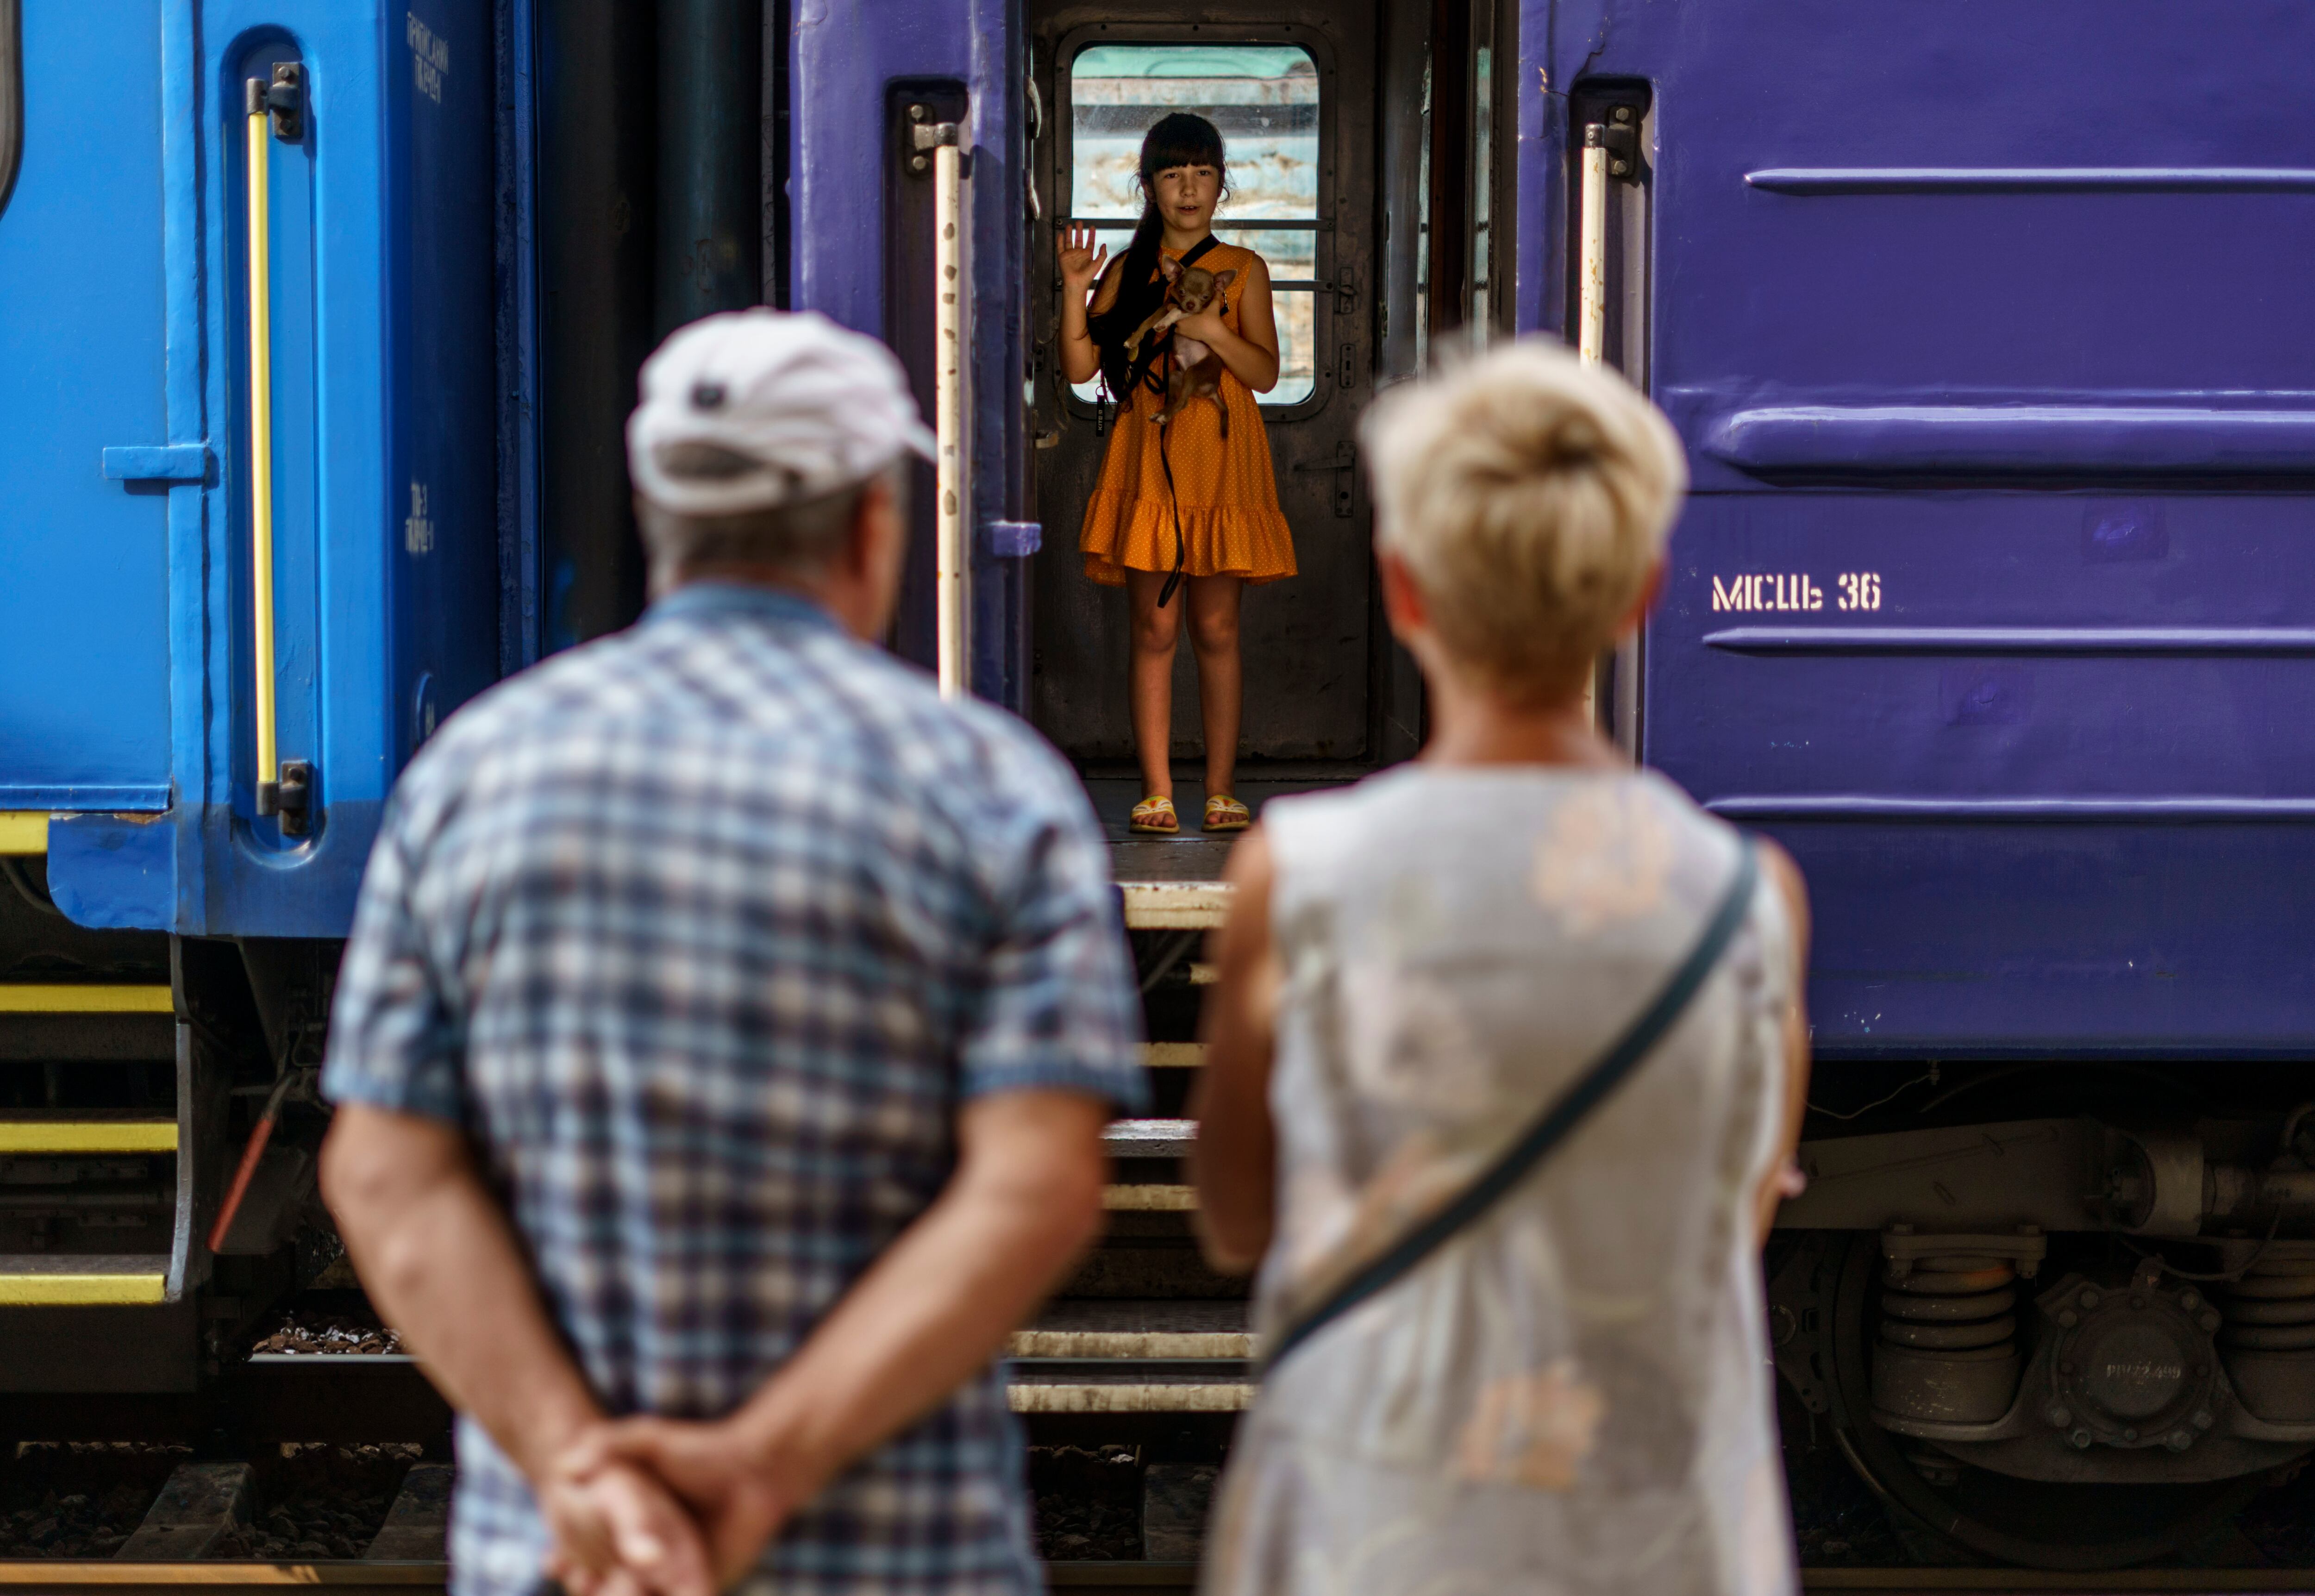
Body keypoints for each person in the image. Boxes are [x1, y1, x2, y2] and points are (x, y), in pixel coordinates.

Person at [317, 310, 1147, 1596]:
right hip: (896, 1561)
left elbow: (384, 1175)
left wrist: (576, 1464)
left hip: (570, 1557)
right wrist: (762, 1465)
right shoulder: (992, 790)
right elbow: (1035, 1192)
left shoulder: (473, 775)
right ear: (875, 524)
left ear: (659, 515)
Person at [1188, 341, 1814, 1596]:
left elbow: (1236, 1222)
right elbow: (1727, 1226)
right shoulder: (1750, 903)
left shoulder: (1299, 875)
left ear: (1404, 591)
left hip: (1378, 1519)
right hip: (1656, 1527)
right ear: (1643, 596)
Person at [1057, 112, 1295, 838]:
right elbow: (1080, 370)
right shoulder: (1127, 270)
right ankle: (1156, 792)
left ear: (1222, 184)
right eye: (1172, 174)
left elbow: (1264, 373)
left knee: (1217, 628)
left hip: (1222, 461)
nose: (1188, 189)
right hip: (1149, 459)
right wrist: (1073, 289)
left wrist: (1215, 330)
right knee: (1153, 629)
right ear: (1149, 187)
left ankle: (1222, 790)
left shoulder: (1245, 269)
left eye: (1201, 173)